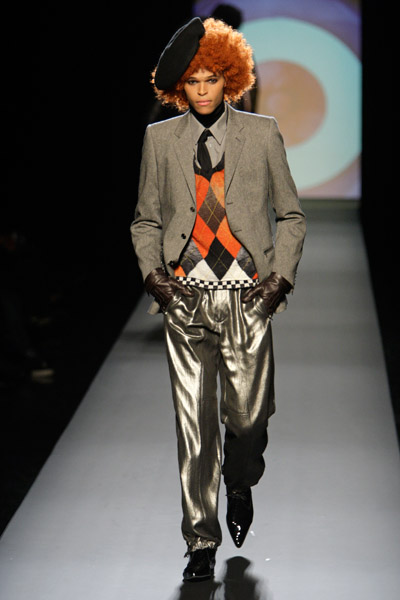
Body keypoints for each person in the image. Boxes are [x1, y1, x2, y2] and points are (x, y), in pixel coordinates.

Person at [130, 17, 306, 583]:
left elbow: (292, 215)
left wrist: (279, 279)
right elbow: (146, 219)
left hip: (249, 299)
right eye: (193, 81)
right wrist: (154, 276)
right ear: (178, 86)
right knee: (195, 428)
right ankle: (200, 541)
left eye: (211, 78)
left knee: (248, 423)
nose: (203, 90)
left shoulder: (262, 132)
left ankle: (240, 478)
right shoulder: (161, 139)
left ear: (230, 78)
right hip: (185, 300)